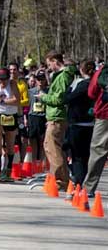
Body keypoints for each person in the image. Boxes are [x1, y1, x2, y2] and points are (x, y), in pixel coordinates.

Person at [34, 51, 75, 190]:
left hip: (58, 117)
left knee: (53, 149)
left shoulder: (63, 77)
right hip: (54, 116)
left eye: (49, 63)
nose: (48, 67)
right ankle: (61, 178)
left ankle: (60, 181)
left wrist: (43, 97)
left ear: (54, 61)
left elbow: (59, 99)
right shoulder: (59, 76)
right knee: (50, 147)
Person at [65, 60, 95, 186]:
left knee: (77, 156)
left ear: (82, 70)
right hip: (90, 123)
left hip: (78, 124)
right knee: (84, 156)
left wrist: (71, 87)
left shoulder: (83, 85)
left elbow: (67, 99)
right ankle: (80, 180)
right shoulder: (95, 84)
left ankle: (78, 181)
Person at [0, 68, 20, 181]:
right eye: (0, 80)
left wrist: (1, 100)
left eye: (4, 81)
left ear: (8, 78)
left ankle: (8, 168)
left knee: (10, 143)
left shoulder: (12, 84)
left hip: (10, 116)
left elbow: (17, 100)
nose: (2, 83)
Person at [82, 63, 108, 197]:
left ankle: (88, 188)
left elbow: (91, 93)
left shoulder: (102, 72)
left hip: (104, 116)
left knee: (98, 151)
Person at [27, 70, 48, 161]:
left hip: (43, 117)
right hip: (33, 116)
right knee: (32, 139)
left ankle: (42, 161)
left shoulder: (48, 91)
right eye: (38, 79)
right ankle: (34, 160)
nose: (40, 81)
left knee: (43, 140)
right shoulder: (30, 91)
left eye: (42, 79)